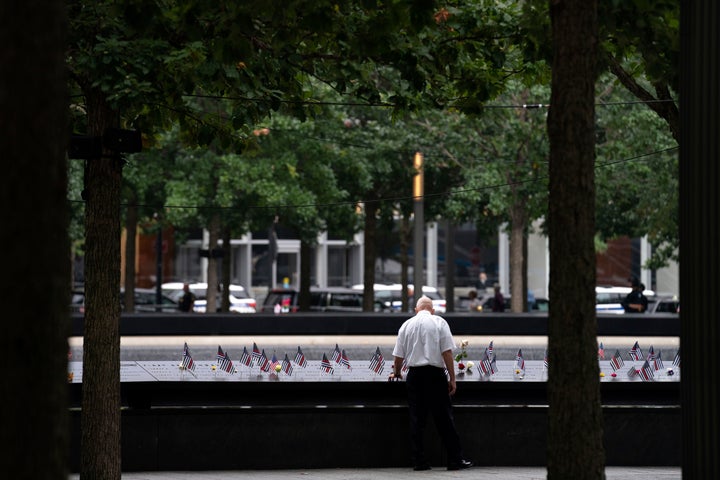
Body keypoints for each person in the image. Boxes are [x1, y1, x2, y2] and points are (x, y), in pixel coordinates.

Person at [389, 295, 473, 471]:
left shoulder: (406, 325)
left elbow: (398, 356)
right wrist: (452, 378)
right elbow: (447, 353)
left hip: (415, 376)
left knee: (417, 420)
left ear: (416, 310)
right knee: (444, 419)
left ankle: (419, 461)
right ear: (432, 310)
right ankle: (455, 460)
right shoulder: (439, 322)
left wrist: (396, 373)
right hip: (435, 376)